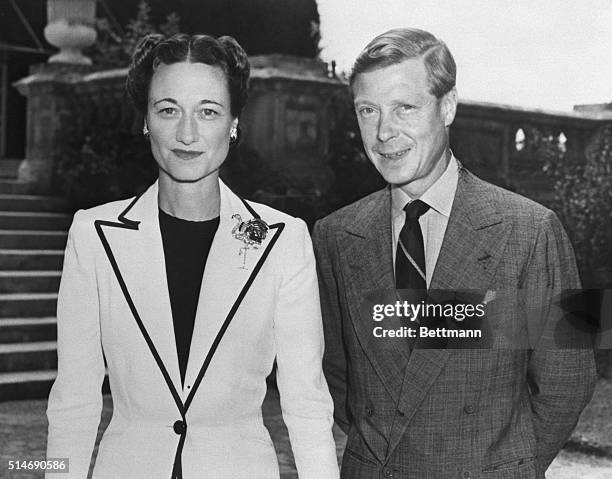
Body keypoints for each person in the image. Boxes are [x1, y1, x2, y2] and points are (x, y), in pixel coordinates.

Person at [46, 33, 339, 479]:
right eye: (168, 110)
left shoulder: (283, 240)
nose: (187, 134)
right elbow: (73, 400)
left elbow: (307, 402)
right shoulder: (93, 235)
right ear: (146, 120)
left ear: (234, 122)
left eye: (208, 111)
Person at [312, 28, 597, 479]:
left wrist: (508, 468)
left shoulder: (533, 230)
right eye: (369, 110)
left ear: (447, 107)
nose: (385, 132)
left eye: (405, 107)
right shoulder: (334, 236)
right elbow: (337, 373)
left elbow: (569, 380)